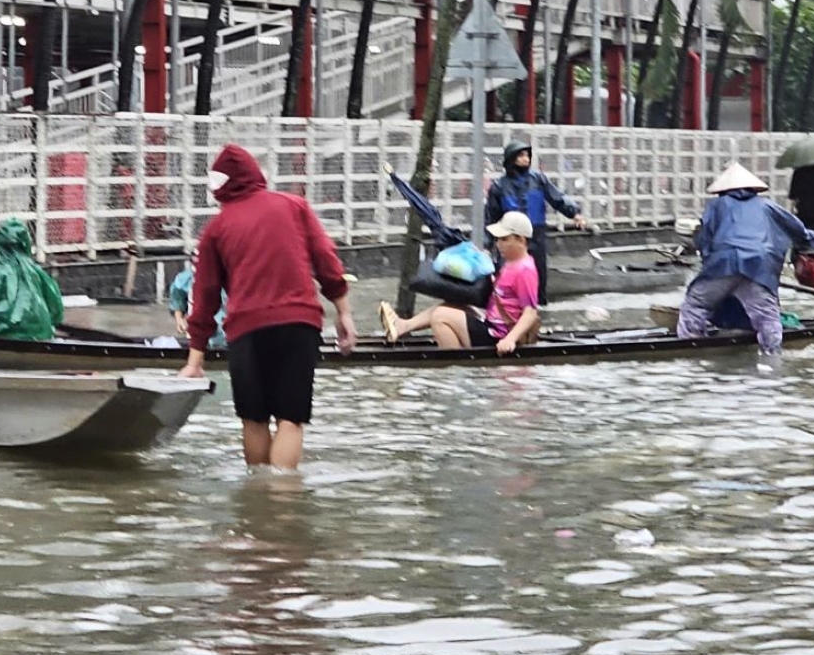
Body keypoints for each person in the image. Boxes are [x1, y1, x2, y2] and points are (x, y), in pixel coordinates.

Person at [177, 145, 358, 471]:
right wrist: (343, 312)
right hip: (299, 323)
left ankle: (259, 504)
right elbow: (327, 262)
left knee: (253, 419)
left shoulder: (215, 231)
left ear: (218, 186)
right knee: (290, 418)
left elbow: (204, 299)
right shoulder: (294, 206)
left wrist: (195, 360)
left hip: (246, 330)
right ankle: (283, 501)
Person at [677, 163, 814, 356]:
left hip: (722, 266)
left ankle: (690, 350)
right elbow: (798, 231)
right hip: (759, 268)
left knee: (695, 305)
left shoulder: (717, 206)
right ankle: (772, 358)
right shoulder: (768, 206)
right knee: (767, 317)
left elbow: (704, 240)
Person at [378, 211, 542, 354]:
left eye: (504, 239)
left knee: (440, 317)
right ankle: (402, 326)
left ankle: (455, 364)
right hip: (492, 325)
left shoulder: (524, 269)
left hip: (498, 336)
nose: (498, 244)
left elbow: (530, 313)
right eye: (498, 239)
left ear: (520, 240)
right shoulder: (510, 264)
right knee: (448, 305)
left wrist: (510, 340)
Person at [485, 141, 587, 304]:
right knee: (508, 274)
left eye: (527, 155)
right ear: (511, 159)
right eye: (521, 155)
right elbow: (491, 217)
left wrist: (574, 213)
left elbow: (557, 197)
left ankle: (538, 307)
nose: (526, 159)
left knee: (538, 274)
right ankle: (509, 309)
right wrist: (487, 245)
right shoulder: (499, 186)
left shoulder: (538, 180)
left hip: (536, 235)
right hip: (511, 237)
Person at [0, 218, 64, 341]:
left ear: (0, 244)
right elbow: (57, 311)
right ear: (26, 243)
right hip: (40, 335)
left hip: (3, 335)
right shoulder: (38, 273)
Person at [169, 245, 226, 349]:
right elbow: (177, 296)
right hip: (196, 336)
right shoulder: (186, 279)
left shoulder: (229, 282)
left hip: (226, 337)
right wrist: (179, 318)